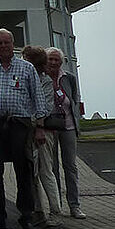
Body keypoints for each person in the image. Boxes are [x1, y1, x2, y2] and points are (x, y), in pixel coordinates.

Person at [0, 29, 45, 229]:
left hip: (20, 124)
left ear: (13, 43)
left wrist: (40, 128)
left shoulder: (26, 68)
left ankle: (26, 216)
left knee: (23, 171)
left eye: (6, 43)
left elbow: (39, 99)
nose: (3, 46)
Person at [21, 46, 61, 228]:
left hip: (42, 130)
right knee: (32, 173)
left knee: (45, 171)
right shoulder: (27, 77)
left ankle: (55, 210)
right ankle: (39, 210)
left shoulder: (43, 81)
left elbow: (42, 106)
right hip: (28, 129)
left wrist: (38, 126)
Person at [45, 48, 85, 219]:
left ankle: (74, 205)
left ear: (61, 62)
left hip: (68, 126)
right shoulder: (42, 77)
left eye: (56, 60)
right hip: (49, 127)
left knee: (70, 166)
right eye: (50, 59)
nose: (53, 63)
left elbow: (74, 100)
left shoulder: (69, 78)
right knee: (52, 168)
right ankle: (56, 205)